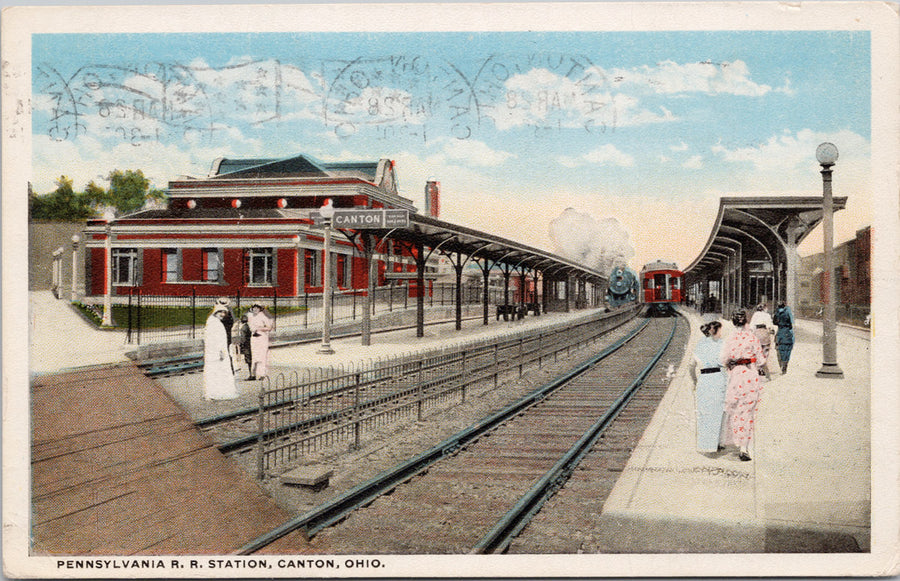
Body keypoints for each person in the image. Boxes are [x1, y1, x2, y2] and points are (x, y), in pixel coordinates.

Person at [720, 309, 766, 461]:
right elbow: (761, 361)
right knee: (747, 412)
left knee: (732, 409)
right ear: (746, 321)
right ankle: (744, 448)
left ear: (733, 322)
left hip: (735, 376)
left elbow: (723, 359)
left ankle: (725, 440)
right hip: (750, 376)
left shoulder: (730, 338)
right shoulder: (752, 338)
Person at [692, 320, 726, 456]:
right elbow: (725, 362)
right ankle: (717, 443)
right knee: (718, 411)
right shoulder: (721, 344)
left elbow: (691, 366)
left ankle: (705, 444)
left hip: (703, 379)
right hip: (718, 377)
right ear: (716, 331)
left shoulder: (700, 344)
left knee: (704, 411)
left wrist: (695, 381)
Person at [203, 305, 238, 400]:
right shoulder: (212, 323)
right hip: (216, 352)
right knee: (216, 372)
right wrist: (220, 351)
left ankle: (217, 392)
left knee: (219, 372)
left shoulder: (216, 322)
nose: (222, 314)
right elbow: (212, 339)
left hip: (219, 351)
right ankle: (214, 393)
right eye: (220, 312)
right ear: (216, 312)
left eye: (224, 312)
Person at [247, 301, 274, 380]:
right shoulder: (251, 316)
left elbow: (269, 327)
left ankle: (262, 374)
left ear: (260, 309)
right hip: (254, 337)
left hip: (262, 337)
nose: (255, 309)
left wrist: (259, 329)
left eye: (257, 308)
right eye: (254, 308)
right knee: (254, 356)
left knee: (262, 355)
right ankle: (253, 374)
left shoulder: (263, 317)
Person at [749, 303, 774, 377]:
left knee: (757, 350)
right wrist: (771, 330)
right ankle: (762, 367)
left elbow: (751, 326)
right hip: (764, 333)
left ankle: (758, 367)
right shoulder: (767, 315)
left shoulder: (755, 315)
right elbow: (769, 325)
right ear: (764, 308)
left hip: (756, 333)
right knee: (765, 350)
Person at [772, 301, 795, 374]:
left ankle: (781, 364)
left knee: (780, 350)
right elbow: (791, 325)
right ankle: (785, 365)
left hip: (780, 333)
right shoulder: (787, 313)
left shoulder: (776, 314)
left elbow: (774, 322)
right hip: (787, 333)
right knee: (787, 350)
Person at [215, 297, 235, 372]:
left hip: (224, 336)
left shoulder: (225, 313)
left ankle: (228, 369)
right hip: (226, 336)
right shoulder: (229, 312)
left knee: (224, 352)